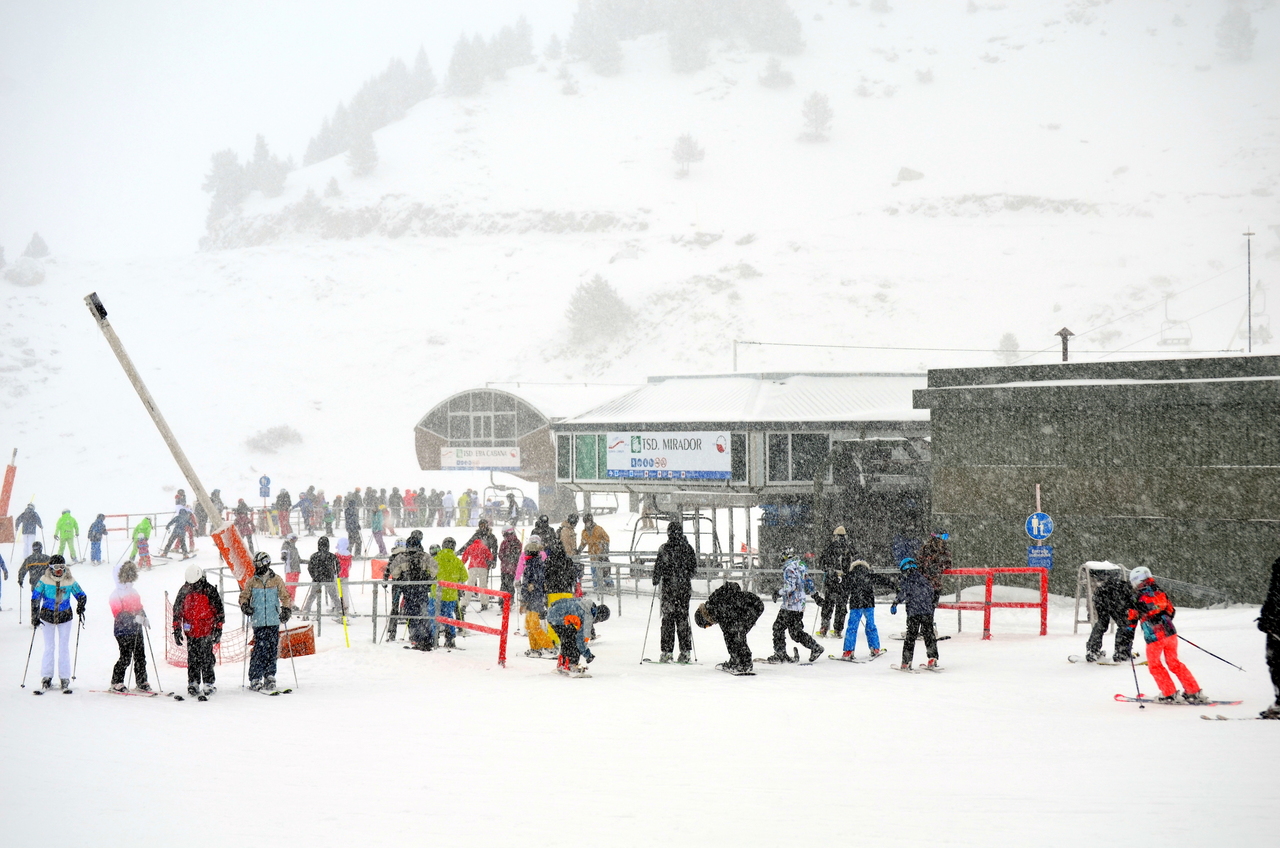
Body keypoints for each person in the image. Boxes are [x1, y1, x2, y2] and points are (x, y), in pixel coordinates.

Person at [1126, 566, 1208, 705]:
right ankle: (1193, 691)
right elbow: (1171, 611)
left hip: (1154, 637)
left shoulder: (1137, 597)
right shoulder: (1160, 591)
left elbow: (1132, 619)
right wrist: (1163, 622)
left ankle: (1169, 693)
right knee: (1174, 663)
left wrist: (1127, 636)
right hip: (1170, 634)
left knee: (1155, 665)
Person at [239, 552, 294, 691]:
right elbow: (244, 596)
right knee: (259, 649)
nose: (257, 568)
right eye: (255, 565)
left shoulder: (276, 580)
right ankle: (255, 677)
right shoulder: (252, 581)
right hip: (258, 620)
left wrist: (286, 610)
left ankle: (269, 675)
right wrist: (245, 605)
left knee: (271, 649)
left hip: (273, 619)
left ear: (266, 564)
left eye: (259, 565)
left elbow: (285, 596)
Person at [31, 555, 86, 692]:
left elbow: (82, 595)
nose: (59, 570)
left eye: (62, 567)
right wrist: (34, 615)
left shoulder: (69, 579)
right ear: (50, 568)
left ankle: (64, 678)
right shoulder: (44, 580)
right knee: (49, 647)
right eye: (56, 567)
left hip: (65, 617)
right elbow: (35, 597)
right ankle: (46, 677)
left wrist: (81, 605)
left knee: (63, 647)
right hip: (47, 617)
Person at [172, 563, 224, 697]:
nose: (193, 587)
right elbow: (177, 611)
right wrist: (177, 629)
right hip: (191, 631)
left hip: (206, 631)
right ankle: (193, 682)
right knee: (193, 658)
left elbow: (219, 612)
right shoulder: (184, 591)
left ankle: (208, 683)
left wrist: (218, 629)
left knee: (207, 657)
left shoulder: (209, 590)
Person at [695, 581, 764, 674]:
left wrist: (734, 601)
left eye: (707, 625)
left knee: (735, 634)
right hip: (751, 605)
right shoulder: (715, 606)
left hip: (752, 606)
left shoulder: (717, 610)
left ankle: (743, 663)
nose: (710, 626)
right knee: (735, 633)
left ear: (705, 618)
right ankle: (740, 661)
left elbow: (730, 638)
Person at [769, 548, 824, 664]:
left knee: (778, 628)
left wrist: (777, 593)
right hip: (800, 605)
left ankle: (780, 654)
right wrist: (815, 595)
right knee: (795, 632)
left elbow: (790, 586)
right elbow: (809, 581)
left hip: (790, 604)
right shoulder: (802, 566)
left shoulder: (789, 569)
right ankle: (815, 647)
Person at [653, 521, 698, 663]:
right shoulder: (687, 548)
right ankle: (685, 652)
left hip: (668, 590)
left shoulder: (664, 549)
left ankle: (667, 652)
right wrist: (683, 576)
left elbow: (658, 567)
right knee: (682, 619)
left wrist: (657, 577)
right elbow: (693, 569)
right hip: (683, 590)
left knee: (668, 620)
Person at [108, 561, 150, 692]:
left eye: (131, 576)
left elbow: (139, 607)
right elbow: (118, 614)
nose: (129, 579)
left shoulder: (134, 591)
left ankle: (142, 681)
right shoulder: (115, 594)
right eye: (126, 576)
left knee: (140, 656)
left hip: (136, 629)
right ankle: (116, 681)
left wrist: (144, 617)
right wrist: (133, 619)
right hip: (123, 630)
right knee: (125, 657)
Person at [891, 557, 940, 670]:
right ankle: (932, 658)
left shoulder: (907, 581)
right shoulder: (924, 579)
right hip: (927, 612)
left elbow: (903, 593)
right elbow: (931, 592)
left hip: (914, 612)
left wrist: (895, 603)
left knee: (911, 636)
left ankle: (906, 661)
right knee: (929, 635)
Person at [387, 531, 433, 649]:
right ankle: (427, 637)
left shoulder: (401, 557)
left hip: (409, 589)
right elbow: (435, 570)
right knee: (424, 612)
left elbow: (395, 573)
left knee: (411, 613)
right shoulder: (425, 556)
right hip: (422, 589)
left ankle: (415, 637)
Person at [1084, 564, 1137, 663]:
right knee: (1126, 625)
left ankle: (1092, 651)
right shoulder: (1136, 594)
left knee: (1102, 622)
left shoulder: (1127, 587)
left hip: (1101, 594)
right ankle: (1121, 652)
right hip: (1115, 599)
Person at [547, 596, 609, 676]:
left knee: (567, 639)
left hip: (553, 616)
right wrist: (588, 655)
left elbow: (565, 600)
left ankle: (562, 664)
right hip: (560, 620)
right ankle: (571, 665)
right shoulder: (588, 616)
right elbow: (581, 641)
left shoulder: (584, 603)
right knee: (573, 641)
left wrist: (551, 608)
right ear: (600, 616)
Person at [842, 560, 887, 660]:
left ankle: (848, 651)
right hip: (868, 603)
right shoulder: (869, 574)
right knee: (871, 625)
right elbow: (883, 580)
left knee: (852, 627)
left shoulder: (850, 575)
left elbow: (844, 589)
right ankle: (875, 648)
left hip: (856, 603)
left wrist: (842, 601)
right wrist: (895, 586)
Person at [817, 526, 855, 637]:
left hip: (831, 580)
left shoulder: (831, 547)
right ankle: (838, 629)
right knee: (841, 605)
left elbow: (822, 563)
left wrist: (828, 569)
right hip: (845, 581)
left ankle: (824, 627)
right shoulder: (849, 547)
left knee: (828, 603)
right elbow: (854, 563)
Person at [519, 538, 555, 656]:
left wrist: (523, 602)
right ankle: (535, 648)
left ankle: (548, 646)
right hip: (536, 599)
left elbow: (527, 586)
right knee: (529, 625)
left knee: (533, 626)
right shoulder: (538, 565)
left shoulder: (531, 566)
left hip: (533, 600)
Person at [434, 538, 468, 649]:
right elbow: (464, 577)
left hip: (436, 594)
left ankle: (433, 637)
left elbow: (429, 572)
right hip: (451, 595)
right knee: (448, 616)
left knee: (434, 615)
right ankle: (450, 638)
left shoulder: (436, 559)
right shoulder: (457, 561)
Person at [1258, 555, 1280, 719]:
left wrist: (1269, 617)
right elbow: (1273, 593)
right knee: (1274, 661)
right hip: (1274, 621)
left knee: (1276, 661)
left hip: (1276, 623)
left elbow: (1274, 594)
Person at [302, 536, 342, 621]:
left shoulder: (314, 556)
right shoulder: (332, 556)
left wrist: (314, 576)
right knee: (334, 596)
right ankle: (340, 611)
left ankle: (306, 612)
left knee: (312, 596)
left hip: (317, 579)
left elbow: (310, 568)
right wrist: (334, 573)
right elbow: (338, 567)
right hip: (329, 579)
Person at [461, 519, 497, 611]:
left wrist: (493, 561)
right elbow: (468, 544)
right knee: (483, 583)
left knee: (477, 582)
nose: (482, 526)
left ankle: (475, 599)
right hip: (483, 563)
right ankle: (483, 600)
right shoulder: (477, 535)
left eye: (484, 524)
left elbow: (495, 549)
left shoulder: (491, 536)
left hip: (482, 562)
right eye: (481, 525)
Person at [578, 513, 612, 589]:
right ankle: (596, 586)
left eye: (588, 521)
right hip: (592, 556)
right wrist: (579, 550)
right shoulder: (584, 532)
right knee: (594, 572)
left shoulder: (598, 529)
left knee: (604, 571)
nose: (587, 524)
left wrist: (605, 549)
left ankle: (609, 583)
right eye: (586, 522)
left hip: (601, 555)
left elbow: (606, 538)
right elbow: (583, 542)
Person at [918, 532, 952, 603]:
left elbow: (948, 563)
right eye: (944, 536)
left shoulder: (927, 547)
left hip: (927, 584)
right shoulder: (931, 548)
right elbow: (947, 563)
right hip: (930, 583)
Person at [498, 526, 521, 601]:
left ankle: (503, 601)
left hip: (505, 568)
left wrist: (505, 559)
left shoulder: (504, 542)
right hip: (513, 568)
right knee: (510, 585)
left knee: (504, 585)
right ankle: (510, 600)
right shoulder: (517, 542)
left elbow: (500, 554)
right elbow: (518, 555)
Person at [281, 534, 303, 602]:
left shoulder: (295, 549)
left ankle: (292, 602)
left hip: (296, 569)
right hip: (290, 569)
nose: (294, 541)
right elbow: (284, 551)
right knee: (289, 587)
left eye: (295, 539)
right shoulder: (286, 545)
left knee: (294, 587)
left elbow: (299, 559)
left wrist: (310, 561)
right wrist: (283, 556)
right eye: (293, 539)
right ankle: (286, 601)